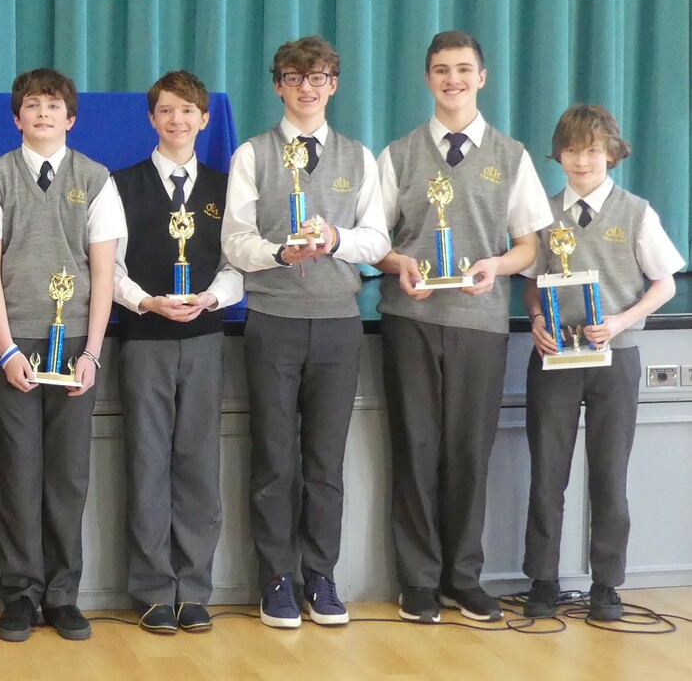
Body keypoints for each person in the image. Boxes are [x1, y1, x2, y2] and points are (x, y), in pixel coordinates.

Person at [375, 31, 553, 623]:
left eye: (463, 69)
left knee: (468, 453)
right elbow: (375, 245)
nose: (452, 79)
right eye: (441, 70)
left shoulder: (512, 155)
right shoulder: (397, 155)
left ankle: (464, 577)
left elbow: (529, 245)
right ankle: (419, 580)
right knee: (416, 449)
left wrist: (495, 265)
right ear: (427, 79)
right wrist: (399, 264)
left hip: (480, 321)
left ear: (482, 77)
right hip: (411, 319)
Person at [222, 38, 391, 628]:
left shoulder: (358, 156)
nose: (307, 87)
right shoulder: (253, 155)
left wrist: (336, 241)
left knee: (325, 460)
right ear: (278, 85)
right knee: (273, 458)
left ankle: (321, 575)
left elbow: (379, 239)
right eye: (294, 77)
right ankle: (276, 579)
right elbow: (234, 241)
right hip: (273, 321)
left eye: (318, 76)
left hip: (340, 324)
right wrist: (280, 252)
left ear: (334, 84)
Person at [0, 67, 125, 642]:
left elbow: (104, 271)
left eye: (53, 105)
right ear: (17, 117)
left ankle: (63, 595)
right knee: (16, 471)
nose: (42, 114)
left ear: (71, 117)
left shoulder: (96, 177)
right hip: (12, 344)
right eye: (31, 105)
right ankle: (19, 594)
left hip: (76, 346)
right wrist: (7, 348)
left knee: (67, 476)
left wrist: (94, 353)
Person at [519, 104, 682, 621]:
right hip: (554, 359)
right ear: (558, 155)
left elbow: (666, 283)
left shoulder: (636, 211)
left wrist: (619, 322)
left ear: (610, 153)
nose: (582, 160)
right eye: (571, 150)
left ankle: (606, 584)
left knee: (610, 474)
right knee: (547, 474)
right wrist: (537, 322)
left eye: (592, 150)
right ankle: (543, 580)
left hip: (616, 358)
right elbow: (529, 283)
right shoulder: (541, 215)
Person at [112, 70, 243, 634]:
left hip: (206, 339)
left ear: (204, 119)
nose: (177, 120)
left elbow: (239, 264)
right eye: (166, 110)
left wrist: (212, 297)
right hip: (144, 341)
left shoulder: (225, 185)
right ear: (152, 118)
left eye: (188, 110)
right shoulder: (121, 185)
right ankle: (152, 591)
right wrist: (146, 303)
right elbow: (109, 268)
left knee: (197, 466)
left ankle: (194, 589)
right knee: (147, 466)